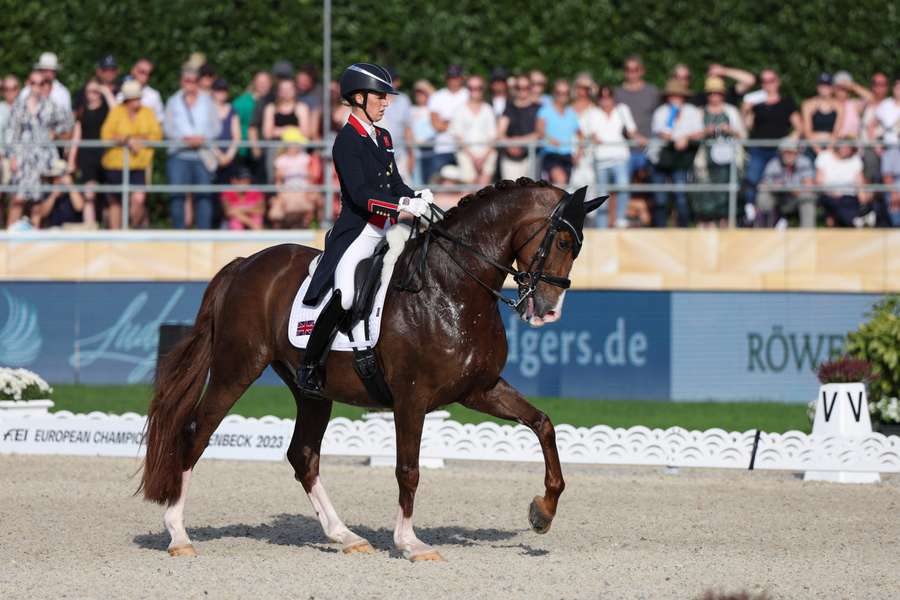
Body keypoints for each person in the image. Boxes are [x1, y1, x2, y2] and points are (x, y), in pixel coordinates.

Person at [297, 63, 433, 396]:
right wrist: (400, 206)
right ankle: (309, 366)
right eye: (380, 97)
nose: (386, 103)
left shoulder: (383, 137)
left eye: (387, 98)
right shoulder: (346, 141)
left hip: (387, 231)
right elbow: (359, 195)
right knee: (345, 296)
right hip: (358, 232)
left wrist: (415, 195)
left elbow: (395, 183)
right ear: (359, 98)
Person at [4, 72, 74, 227]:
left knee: (38, 201)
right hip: (23, 159)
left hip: (43, 159)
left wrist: (55, 133)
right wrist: (12, 157)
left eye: (41, 83)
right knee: (18, 199)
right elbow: (11, 133)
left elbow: (68, 122)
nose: (37, 87)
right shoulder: (19, 105)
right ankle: (9, 239)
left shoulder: (50, 105)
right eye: (33, 83)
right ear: (28, 84)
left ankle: (34, 240)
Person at [163, 64, 220, 229]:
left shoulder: (208, 101)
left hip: (201, 154)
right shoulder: (173, 101)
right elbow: (168, 128)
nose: (190, 84)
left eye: (194, 81)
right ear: (182, 81)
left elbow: (215, 127)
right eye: (187, 80)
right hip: (179, 154)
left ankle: (204, 234)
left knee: (204, 197)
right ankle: (178, 233)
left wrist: (202, 139)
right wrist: (184, 139)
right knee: (177, 197)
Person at [101, 79, 162, 228]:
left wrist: (137, 139)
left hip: (139, 164)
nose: (138, 101)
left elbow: (157, 135)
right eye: (135, 98)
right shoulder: (116, 112)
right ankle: (115, 237)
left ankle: (130, 229)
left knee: (139, 198)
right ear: (127, 99)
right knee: (115, 201)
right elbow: (106, 134)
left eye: (138, 97)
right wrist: (126, 140)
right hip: (116, 164)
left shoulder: (147, 113)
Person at [741, 69, 801, 219]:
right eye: (765, 81)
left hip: (779, 150)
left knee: (779, 182)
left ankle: (780, 216)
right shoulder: (756, 104)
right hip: (758, 148)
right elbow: (747, 126)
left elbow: (800, 127)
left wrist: (789, 142)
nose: (768, 84)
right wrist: (745, 111)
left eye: (771, 80)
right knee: (752, 178)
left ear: (778, 82)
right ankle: (751, 210)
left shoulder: (787, 103)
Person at [649, 78, 704, 227]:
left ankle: (683, 229)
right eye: (672, 95)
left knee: (680, 196)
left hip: (680, 159)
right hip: (660, 159)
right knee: (660, 198)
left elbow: (700, 132)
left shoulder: (692, 111)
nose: (675, 99)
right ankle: (660, 229)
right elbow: (664, 134)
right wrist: (673, 115)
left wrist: (685, 137)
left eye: (678, 95)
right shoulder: (661, 112)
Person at [581, 85, 637, 228]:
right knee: (602, 193)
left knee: (623, 186)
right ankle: (601, 226)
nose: (605, 100)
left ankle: (621, 219)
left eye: (608, 96)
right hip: (600, 159)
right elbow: (583, 133)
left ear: (613, 97)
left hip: (620, 156)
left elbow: (632, 131)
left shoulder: (622, 109)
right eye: (602, 96)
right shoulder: (591, 113)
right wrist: (590, 138)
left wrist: (642, 140)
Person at [693, 76, 746, 227]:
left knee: (728, 194)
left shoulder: (731, 111)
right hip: (706, 160)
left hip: (729, 160)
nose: (714, 96)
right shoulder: (699, 112)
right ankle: (707, 225)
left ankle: (727, 225)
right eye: (711, 93)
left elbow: (743, 135)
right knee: (706, 194)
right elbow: (693, 135)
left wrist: (730, 131)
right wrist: (705, 132)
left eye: (717, 93)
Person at [68, 79, 116, 228]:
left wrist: (106, 91)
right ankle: (89, 226)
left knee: (109, 196)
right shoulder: (82, 111)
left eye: (96, 91)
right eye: (90, 91)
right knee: (89, 194)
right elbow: (76, 136)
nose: (93, 94)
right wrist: (71, 160)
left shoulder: (107, 108)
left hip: (106, 156)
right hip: (87, 156)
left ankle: (109, 228)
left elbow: (117, 113)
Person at [442, 75, 497, 185]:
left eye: (478, 87)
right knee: (471, 187)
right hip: (465, 153)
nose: (475, 90)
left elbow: (493, 136)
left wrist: (483, 157)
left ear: (483, 89)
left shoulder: (488, 109)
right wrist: (473, 157)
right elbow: (458, 137)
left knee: (484, 187)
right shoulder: (459, 110)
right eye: (471, 87)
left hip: (487, 153)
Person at [614, 55, 658, 180]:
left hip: (649, 149)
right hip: (624, 151)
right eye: (628, 69)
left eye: (635, 69)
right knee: (622, 189)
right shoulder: (617, 93)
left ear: (642, 71)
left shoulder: (652, 92)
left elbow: (659, 118)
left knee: (654, 189)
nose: (631, 73)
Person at [269, 127, 323, 228]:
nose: (299, 146)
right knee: (276, 211)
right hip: (288, 192)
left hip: (304, 191)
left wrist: (309, 191)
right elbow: (279, 182)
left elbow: (310, 179)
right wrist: (281, 195)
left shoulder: (306, 158)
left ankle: (318, 227)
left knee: (318, 200)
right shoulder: (281, 160)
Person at [757, 138, 816, 228]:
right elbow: (763, 184)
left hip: (796, 198)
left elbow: (809, 186)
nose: (788, 155)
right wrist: (775, 186)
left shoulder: (804, 162)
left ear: (796, 153)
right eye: (785, 152)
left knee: (807, 197)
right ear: (781, 153)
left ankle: (807, 234)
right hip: (778, 198)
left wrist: (793, 189)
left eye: (791, 152)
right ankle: (763, 229)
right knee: (763, 196)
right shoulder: (773, 164)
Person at [426, 64, 468, 183]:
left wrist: (446, 121)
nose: (453, 80)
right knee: (433, 184)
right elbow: (436, 124)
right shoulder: (437, 96)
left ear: (461, 78)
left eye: (456, 77)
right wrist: (458, 123)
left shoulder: (468, 94)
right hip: (442, 148)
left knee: (469, 185)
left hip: (465, 148)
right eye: (451, 77)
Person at [815, 139, 871, 227]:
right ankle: (856, 221)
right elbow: (819, 182)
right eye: (844, 147)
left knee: (846, 203)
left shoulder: (855, 160)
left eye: (849, 147)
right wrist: (831, 192)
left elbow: (860, 182)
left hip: (849, 196)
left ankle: (855, 221)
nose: (846, 149)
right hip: (828, 195)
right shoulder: (824, 156)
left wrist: (863, 197)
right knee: (838, 204)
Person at [536, 79, 581, 185]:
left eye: (565, 93)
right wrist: (549, 139)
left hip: (567, 156)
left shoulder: (571, 112)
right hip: (551, 154)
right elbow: (539, 130)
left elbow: (581, 135)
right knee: (560, 181)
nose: (562, 96)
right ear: (554, 93)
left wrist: (579, 154)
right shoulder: (545, 110)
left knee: (563, 188)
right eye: (559, 93)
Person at [497, 74, 541, 181]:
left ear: (530, 88)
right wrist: (511, 146)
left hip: (530, 157)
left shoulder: (538, 108)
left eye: (526, 88)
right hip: (510, 158)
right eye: (519, 88)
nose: (522, 91)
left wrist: (517, 142)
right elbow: (500, 133)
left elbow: (539, 133)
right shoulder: (509, 108)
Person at [871, 75, 900, 225]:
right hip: (889, 149)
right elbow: (872, 125)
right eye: (897, 87)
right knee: (892, 201)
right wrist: (876, 145)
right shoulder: (886, 105)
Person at [232, 71, 272, 179]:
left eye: (266, 82)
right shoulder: (242, 102)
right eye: (260, 82)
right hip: (244, 152)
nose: (263, 85)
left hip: (266, 151)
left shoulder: (273, 101)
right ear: (254, 83)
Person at [378, 68, 414, 182]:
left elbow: (408, 129)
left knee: (405, 188)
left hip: (400, 154)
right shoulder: (375, 99)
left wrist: (411, 155)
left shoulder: (404, 100)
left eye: (392, 80)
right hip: (380, 154)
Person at [802, 73, 843, 158]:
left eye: (827, 86)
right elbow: (807, 131)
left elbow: (836, 131)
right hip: (812, 147)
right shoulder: (808, 105)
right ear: (817, 87)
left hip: (831, 147)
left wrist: (828, 150)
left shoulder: (838, 106)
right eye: (822, 85)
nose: (824, 88)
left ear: (832, 88)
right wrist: (818, 151)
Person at [33, 160, 84, 228]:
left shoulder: (75, 189)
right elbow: (43, 213)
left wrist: (70, 186)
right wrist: (53, 196)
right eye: (56, 177)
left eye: (61, 176)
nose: (59, 180)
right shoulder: (49, 191)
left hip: (73, 229)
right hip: (54, 230)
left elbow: (80, 207)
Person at [118, 58, 164, 123]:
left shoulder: (154, 95)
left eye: (148, 73)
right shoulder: (120, 90)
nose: (145, 76)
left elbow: (160, 120)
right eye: (142, 72)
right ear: (133, 70)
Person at [409, 79, 436, 185]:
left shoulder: (433, 109)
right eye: (418, 93)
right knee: (417, 183)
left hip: (431, 152)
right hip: (416, 154)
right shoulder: (411, 110)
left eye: (423, 93)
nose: (420, 96)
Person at [221, 166, 265, 230]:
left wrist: (239, 210)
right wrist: (250, 223)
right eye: (243, 180)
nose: (246, 183)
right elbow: (228, 212)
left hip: (251, 219)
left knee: (257, 218)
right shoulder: (227, 192)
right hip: (240, 222)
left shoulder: (256, 191)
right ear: (234, 181)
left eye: (248, 180)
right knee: (234, 221)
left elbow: (261, 210)